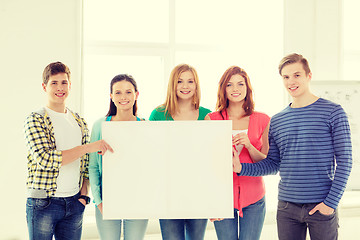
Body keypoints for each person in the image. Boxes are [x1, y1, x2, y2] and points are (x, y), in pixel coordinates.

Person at [233, 53, 353, 240]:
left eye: (297, 75)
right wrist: (241, 168)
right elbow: (273, 164)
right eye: (286, 77)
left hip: (321, 206)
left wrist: (330, 203)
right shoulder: (278, 120)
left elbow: (345, 162)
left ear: (308, 76)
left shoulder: (333, 112)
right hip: (287, 208)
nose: (291, 81)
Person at [24, 62, 113, 240]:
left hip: (74, 203)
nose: (60, 88)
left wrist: (83, 195)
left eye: (64, 82)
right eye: (54, 83)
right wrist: (89, 147)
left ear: (70, 86)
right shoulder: (36, 119)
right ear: (44, 86)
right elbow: (46, 159)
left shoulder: (79, 121)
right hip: (44, 203)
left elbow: (86, 163)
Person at [204, 66, 270, 240]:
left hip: (254, 198)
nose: (235, 89)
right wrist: (212, 201)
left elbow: (265, 162)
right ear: (223, 89)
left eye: (240, 84)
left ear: (247, 88)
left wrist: (249, 145)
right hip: (222, 197)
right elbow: (207, 164)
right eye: (229, 85)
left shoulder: (263, 119)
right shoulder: (212, 119)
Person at [149, 63, 210, 240]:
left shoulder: (207, 116)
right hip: (168, 193)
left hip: (198, 192)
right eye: (180, 81)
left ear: (196, 85)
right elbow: (151, 153)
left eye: (190, 81)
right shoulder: (159, 114)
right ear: (172, 85)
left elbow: (211, 158)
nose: (185, 86)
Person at [89, 74, 149, 240]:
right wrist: (98, 201)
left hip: (138, 200)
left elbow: (150, 166)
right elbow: (93, 166)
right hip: (108, 200)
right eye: (118, 93)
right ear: (111, 96)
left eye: (128, 92)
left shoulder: (146, 126)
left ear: (136, 94)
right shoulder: (100, 125)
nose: (123, 97)